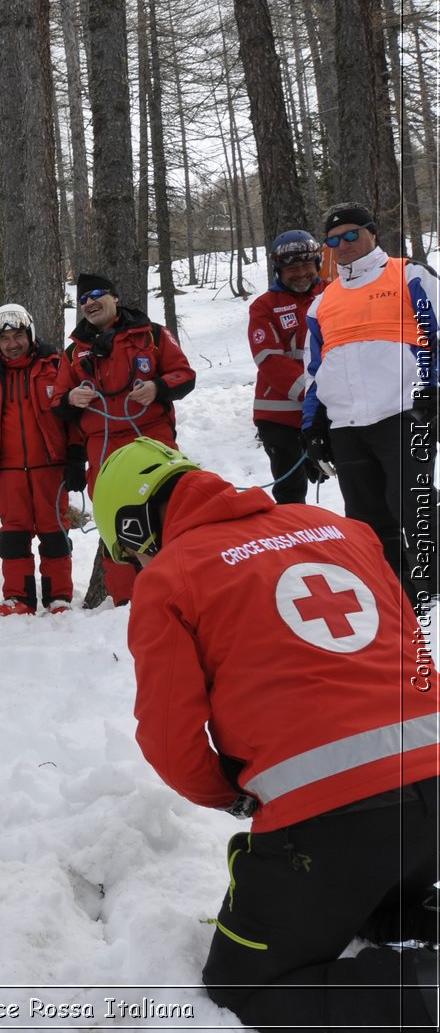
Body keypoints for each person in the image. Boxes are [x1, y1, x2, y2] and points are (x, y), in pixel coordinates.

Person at [92, 436, 439, 1031]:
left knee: (242, 989)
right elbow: (411, 647)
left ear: (133, 529)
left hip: (331, 825)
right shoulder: (337, 527)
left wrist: (228, 793)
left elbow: (169, 740)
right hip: (434, 786)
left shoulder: (172, 576)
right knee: (381, 897)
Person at [302, 202, 438, 609]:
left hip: (402, 411)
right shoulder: (322, 302)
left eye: (351, 235)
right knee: (365, 516)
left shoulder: (409, 274)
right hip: (346, 425)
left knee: (411, 502)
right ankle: (399, 593)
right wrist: (312, 428)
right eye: (333, 240)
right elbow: (315, 371)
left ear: (372, 233)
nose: (342, 245)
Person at [52, 272, 196, 606]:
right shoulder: (74, 353)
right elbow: (58, 403)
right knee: (116, 530)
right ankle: (126, 603)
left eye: (97, 295)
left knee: (167, 516)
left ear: (115, 298)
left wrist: (158, 387)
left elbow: (185, 376)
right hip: (103, 451)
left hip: (152, 444)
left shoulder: (153, 336)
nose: (90, 303)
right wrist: (72, 399)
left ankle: (180, 592)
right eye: (83, 299)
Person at [0, 305, 79, 615]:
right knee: (14, 536)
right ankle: (18, 597)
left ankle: (59, 597)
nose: (13, 344)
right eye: (5, 339)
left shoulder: (55, 366)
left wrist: (74, 457)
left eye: (18, 336)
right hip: (7, 471)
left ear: (29, 334)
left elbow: (72, 419)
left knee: (55, 532)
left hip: (50, 468)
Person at [249, 230, 328, 505]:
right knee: (290, 492)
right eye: (292, 268)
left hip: (329, 409)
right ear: (278, 270)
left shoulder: (333, 293)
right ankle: (294, 541)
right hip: (279, 417)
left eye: (307, 265)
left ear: (317, 264)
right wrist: (314, 396)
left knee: (358, 477)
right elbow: (269, 360)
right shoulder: (265, 306)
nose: (301, 273)